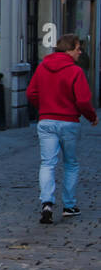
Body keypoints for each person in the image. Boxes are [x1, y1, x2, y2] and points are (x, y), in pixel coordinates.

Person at [26, 33, 97, 223]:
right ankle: (69, 205)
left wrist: (44, 108)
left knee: (47, 163)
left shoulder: (42, 68)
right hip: (69, 122)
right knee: (71, 164)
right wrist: (91, 117)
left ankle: (47, 202)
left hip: (47, 121)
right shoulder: (75, 72)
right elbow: (83, 100)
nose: (80, 53)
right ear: (68, 49)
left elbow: (31, 92)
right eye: (77, 49)